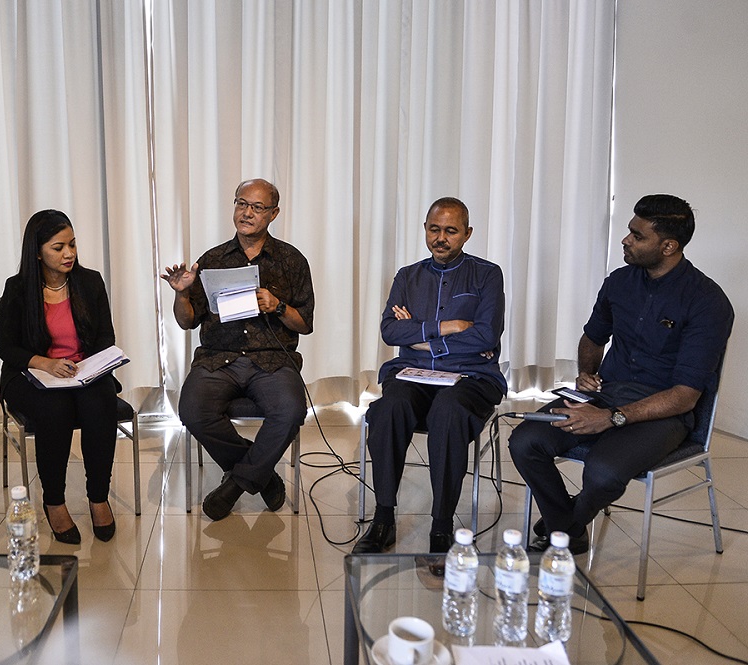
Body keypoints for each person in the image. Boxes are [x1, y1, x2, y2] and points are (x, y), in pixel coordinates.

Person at [509, 194, 734, 554]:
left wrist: (610, 418)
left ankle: (563, 526)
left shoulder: (708, 302)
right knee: (524, 441)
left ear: (668, 246)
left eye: (637, 235)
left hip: (662, 411)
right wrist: (586, 373)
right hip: (606, 392)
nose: (626, 240)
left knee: (603, 472)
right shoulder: (619, 282)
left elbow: (685, 395)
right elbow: (594, 337)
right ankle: (568, 524)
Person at [353, 197, 506, 554]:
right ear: (425, 229)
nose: (441, 238)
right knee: (390, 408)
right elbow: (390, 331)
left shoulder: (487, 274)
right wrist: (451, 326)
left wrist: (421, 338)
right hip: (412, 374)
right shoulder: (408, 276)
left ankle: (441, 524)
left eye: (450, 231)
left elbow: (485, 336)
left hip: (470, 376)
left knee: (449, 412)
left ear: (467, 234)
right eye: (434, 229)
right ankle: (384, 517)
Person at [161, 178, 315, 521]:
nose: (247, 212)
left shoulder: (291, 260)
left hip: (272, 361)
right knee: (192, 409)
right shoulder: (212, 259)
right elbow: (187, 321)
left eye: (257, 207)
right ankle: (264, 476)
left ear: (273, 214)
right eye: (241, 203)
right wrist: (181, 293)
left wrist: (277, 306)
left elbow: (304, 323)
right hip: (218, 359)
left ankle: (235, 485)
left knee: (290, 411)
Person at [0, 209, 121, 544]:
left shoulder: (89, 281)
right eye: (58, 247)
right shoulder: (19, 288)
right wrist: (44, 363)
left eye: (72, 245)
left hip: (83, 371)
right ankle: (54, 501)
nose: (69, 253)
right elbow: (5, 347)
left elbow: (105, 338)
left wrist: (90, 366)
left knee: (101, 402)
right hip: (31, 375)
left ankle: (98, 496)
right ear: (37, 251)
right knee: (56, 410)